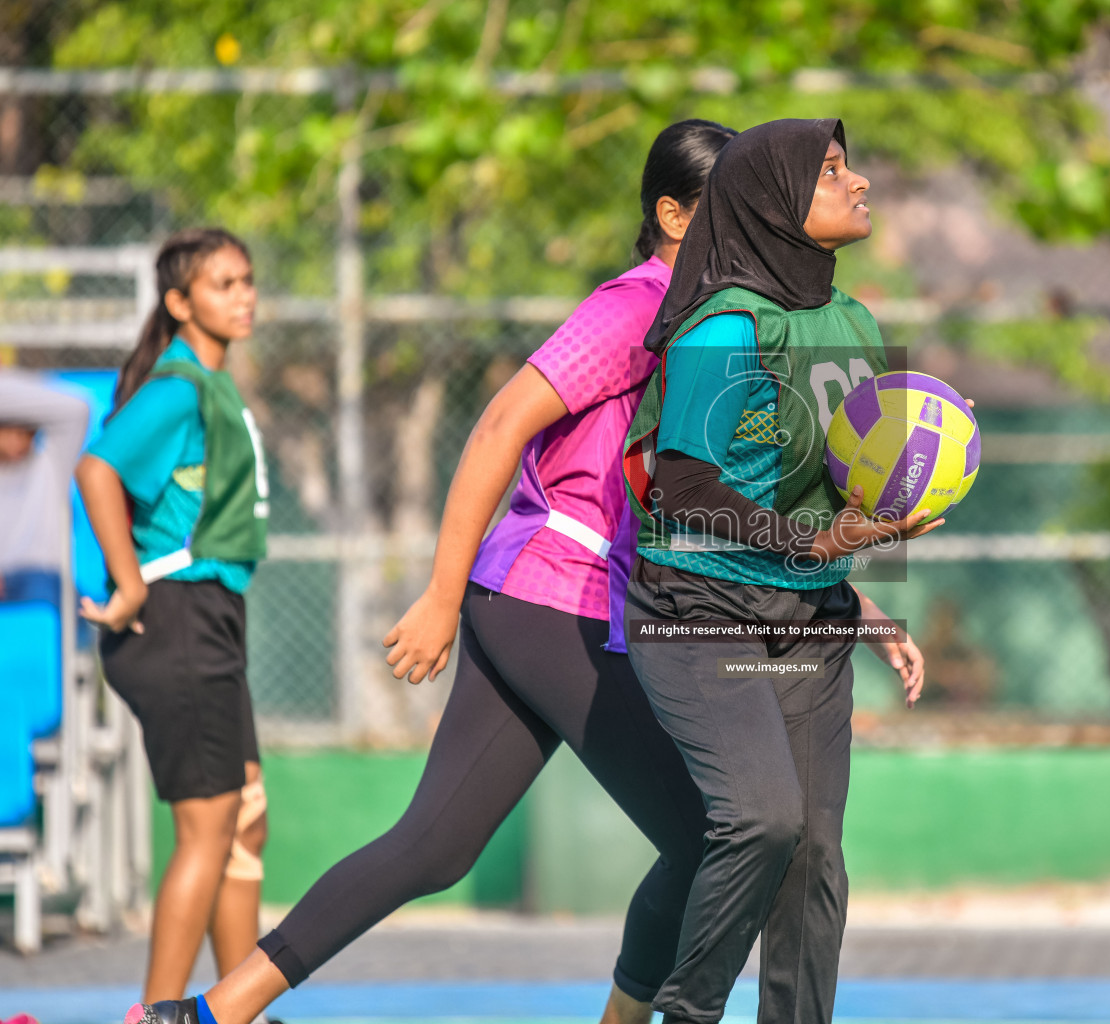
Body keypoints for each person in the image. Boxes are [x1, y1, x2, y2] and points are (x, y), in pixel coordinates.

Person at [127, 119, 741, 1024]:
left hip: (540, 599)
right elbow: (498, 427)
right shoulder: (635, 305)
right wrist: (440, 597)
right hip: (546, 595)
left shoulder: (704, 321)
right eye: (737, 203)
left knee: (433, 845)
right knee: (712, 833)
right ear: (674, 217)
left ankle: (207, 1014)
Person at [620, 118, 940, 1024]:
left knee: (813, 865)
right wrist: (813, 546)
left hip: (809, 613)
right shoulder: (723, 325)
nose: (860, 182)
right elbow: (682, 484)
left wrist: (894, 518)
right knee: (764, 819)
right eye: (833, 170)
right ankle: (688, 1012)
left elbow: (842, 481)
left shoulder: (854, 319)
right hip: (699, 609)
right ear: (770, 201)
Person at [75, 228, 271, 1007]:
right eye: (223, 285)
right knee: (209, 828)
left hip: (210, 616)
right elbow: (97, 468)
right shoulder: (181, 387)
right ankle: (159, 1017)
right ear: (180, 303)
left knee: (244, 823)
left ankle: (235, 1008)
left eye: (247, 280)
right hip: (175, 615)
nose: (244, 295)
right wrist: (126, 585)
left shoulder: (213, 385)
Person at [0, 370, 91, 606]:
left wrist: (6, 379)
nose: (20, 441)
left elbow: (76, 408)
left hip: (40, 579)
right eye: (10, 428)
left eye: (28, 431)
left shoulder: (50, 463)